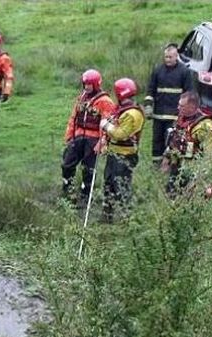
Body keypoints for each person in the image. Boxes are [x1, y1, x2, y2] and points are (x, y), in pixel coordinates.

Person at [61, 69, 116, 206]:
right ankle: (69, 191)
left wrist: (102, 143)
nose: (86, 87)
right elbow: (73, 118)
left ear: (96, 84)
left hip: (93, 140)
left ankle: (86, 195)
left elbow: (107, 124)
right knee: (67, 164)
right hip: (78, 136)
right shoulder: (82, 97)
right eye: (84, 84)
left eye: (89, 84)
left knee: (88, 170)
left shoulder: (105, 101)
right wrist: (69, 136)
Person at [99, 78, 145, 222]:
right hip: (114, 153)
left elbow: (120, 134)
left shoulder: (132, 114)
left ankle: (128, 219)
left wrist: (106, 126)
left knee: (122, 186)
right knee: (109, 184)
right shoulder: (121, 110)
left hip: (125, 155)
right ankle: (107, 214)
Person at [144, 43, 194, 165]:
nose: (167, 59)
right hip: (158, 114)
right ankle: (156, 164)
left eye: (170, 57)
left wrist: (185, 113)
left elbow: (189, 93)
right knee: (157, 140)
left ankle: (171, 165)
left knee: (171, 141)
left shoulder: (185, 72)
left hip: (174, 115)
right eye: (166, 57)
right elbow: (150, 90)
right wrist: (148, 106)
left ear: (176, 56)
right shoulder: (157, 71)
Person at [161, 91, 212, 197]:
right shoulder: (180, 119)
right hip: (177, 166)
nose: (178, 108)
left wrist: (201, 177)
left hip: (193, 169)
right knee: (171, 195)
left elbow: (210, 154)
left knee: (189, 199)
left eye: (182, 106)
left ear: (192, 107)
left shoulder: (204, 127)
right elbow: (173, 141)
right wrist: (166, 158)